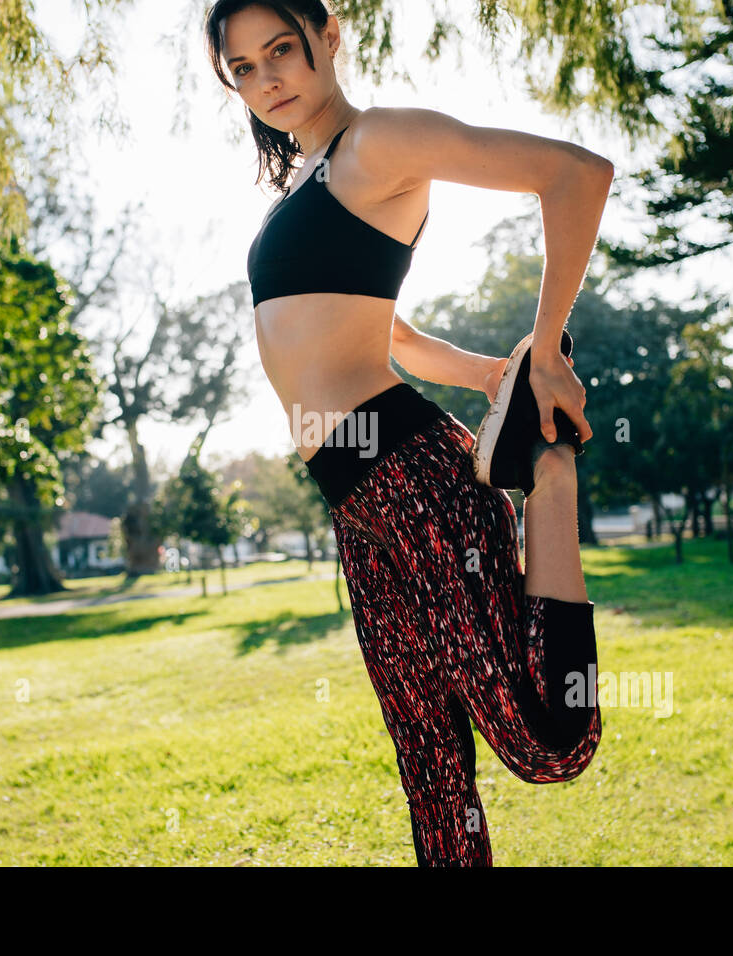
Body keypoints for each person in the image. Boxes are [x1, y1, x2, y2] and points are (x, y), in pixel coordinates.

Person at [206, 0, 615, 866]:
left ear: (329, 35)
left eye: (281, 49)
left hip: (408, 470)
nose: (266, 78)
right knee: (428, 762)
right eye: (242, 67)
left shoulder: (379, 141)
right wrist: (484, 373)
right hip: (352, 499)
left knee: (546, 740)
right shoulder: (302, 184)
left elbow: (577, 173)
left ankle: (549, 474)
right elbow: (375, 328)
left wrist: (543, 355)